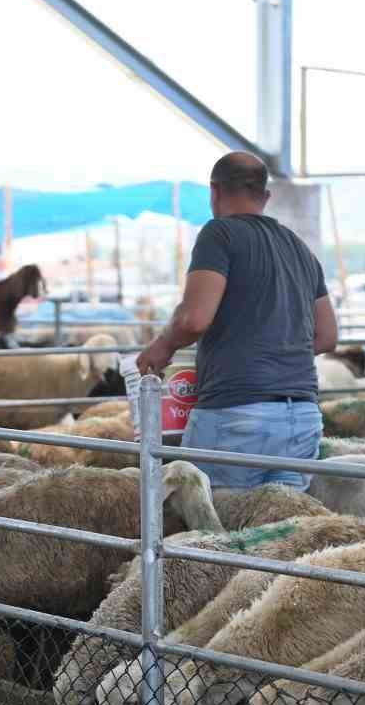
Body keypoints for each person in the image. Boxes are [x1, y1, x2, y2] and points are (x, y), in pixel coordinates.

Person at [135, 151, 336, 490]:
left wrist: (163, 345)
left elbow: (195, 319)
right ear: (266, 196)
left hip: (237, 415)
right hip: (301, 420)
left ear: (214, 191)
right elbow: (327, 336)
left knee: (210, 528)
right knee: (274, 533)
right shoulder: (300, 249)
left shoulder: (220, 234)